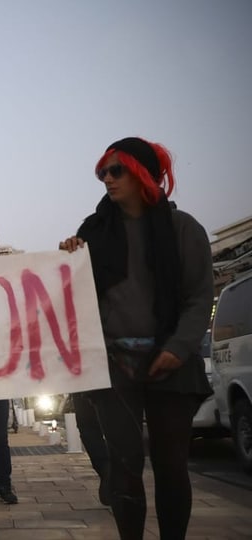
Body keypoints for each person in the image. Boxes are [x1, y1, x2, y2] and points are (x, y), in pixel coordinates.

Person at [59, 137, 213, 540]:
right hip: (115, 364)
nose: (107, 179)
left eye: (116, 170)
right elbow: (73, 295)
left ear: (143, 172)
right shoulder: (92, 235)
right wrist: (70, 257)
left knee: (171, 465)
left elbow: (199, 296)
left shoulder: (183, 228)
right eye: (102, 173)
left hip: (171, 363)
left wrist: (178, 349)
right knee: (124, 466)